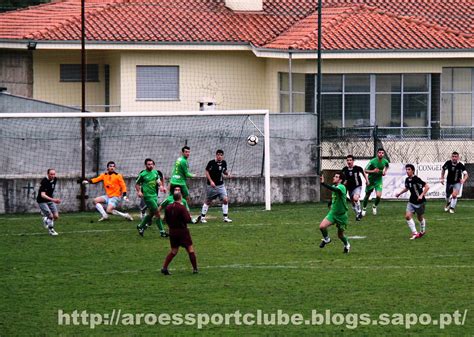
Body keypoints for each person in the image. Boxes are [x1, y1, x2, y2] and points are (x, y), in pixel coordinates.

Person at [161, 190, 198, 275]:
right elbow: (187, 219)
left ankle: (164, 267)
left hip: (172, 231)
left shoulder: (168, 207)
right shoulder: (182, 207)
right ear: (180, 197)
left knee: (174, 250)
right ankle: (195, 269)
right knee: (190, 249)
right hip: (182, 231)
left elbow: (165, 219)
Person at [319, 172, 350, 254]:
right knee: (322, 226)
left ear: (340, 180)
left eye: (336, 177)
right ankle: (327, 239)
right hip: (333, 213)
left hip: (342, 215)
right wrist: (330, 203)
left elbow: (336, 190)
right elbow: (334, 197)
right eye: (334, 176)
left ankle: (347, 244)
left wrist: (323, 184)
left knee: (340, 235)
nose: (333, 177)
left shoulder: (342, 187)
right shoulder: (334, 186)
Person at [395, 164, 430, 240]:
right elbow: (407, 188)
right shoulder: (407, 179)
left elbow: (427, 186)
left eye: (409, 169)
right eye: (406, 169)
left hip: (420, 202)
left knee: (420, 218)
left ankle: (422, 231)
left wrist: (421, 195)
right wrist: (399, 193)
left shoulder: (417, 179)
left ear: (413, 171)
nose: (407, 171)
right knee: (407, 216)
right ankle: (415, 233)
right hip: (411, 202)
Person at [135, 158, 168, 237]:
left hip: (154, 196)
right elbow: (137, 184)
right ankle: (162, 232)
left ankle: (140, 226)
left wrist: (161, 187)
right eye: (148, 164)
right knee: (157, 213)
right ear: (145, 165)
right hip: (147, 196)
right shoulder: (143, 174)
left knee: (151, 214)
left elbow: (158, 181)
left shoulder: (155, 172)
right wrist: (139, 191)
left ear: (154, 165)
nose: (150, 166)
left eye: (152, 164)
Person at [199, 149, 232, 223]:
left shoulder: (224, 162)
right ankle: (202, 218)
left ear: (222, 156)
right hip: (212, 186)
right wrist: (211, 181)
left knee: (225, 200)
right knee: (208, 201)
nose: (219, 156)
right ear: (216, 155)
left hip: (221, 185)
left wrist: (228, 174)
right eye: (218, 155)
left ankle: (225, 217)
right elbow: (207, 171)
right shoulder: (211, 163)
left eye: (221, 155)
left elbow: (224, 171)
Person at [362, 148, 389, 216]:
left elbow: (387, 166)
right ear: (377, 153)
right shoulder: (372, 161)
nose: (381, 154)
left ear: (384, 154)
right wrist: (373, 171)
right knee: (367, 195)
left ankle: (374, 206)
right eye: (379, 152)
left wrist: (384, 172)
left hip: (378, 180)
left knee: (378, 196)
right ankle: (364, 208)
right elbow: (365, 170)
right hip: (371, 180)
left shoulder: (385, 161)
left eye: (382, 153)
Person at [342, 155, 368, 221]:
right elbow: (342, 177)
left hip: (357, 186)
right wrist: (343, 183)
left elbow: (363, 173)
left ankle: (359, 211)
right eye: (348, 160)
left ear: (353, 161)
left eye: (350, 160)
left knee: (355, 198)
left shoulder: (357, 168)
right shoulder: (344, 169)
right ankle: (358, 214)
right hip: (349, 188)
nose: (349, 161)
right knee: (353, 202)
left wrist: (367, 180)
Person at [37, 168, 61, 236]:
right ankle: (51, 230)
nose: (53, 176)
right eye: (51, 174)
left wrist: (52, 199)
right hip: (42, 201)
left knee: (56, 216)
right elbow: (42, 195)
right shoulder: (44, 182)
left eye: (54, 174)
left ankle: (45, 219)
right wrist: (54, 200)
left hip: (50, 200)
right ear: (48, 174)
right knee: (51, 216)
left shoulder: (55, 179)